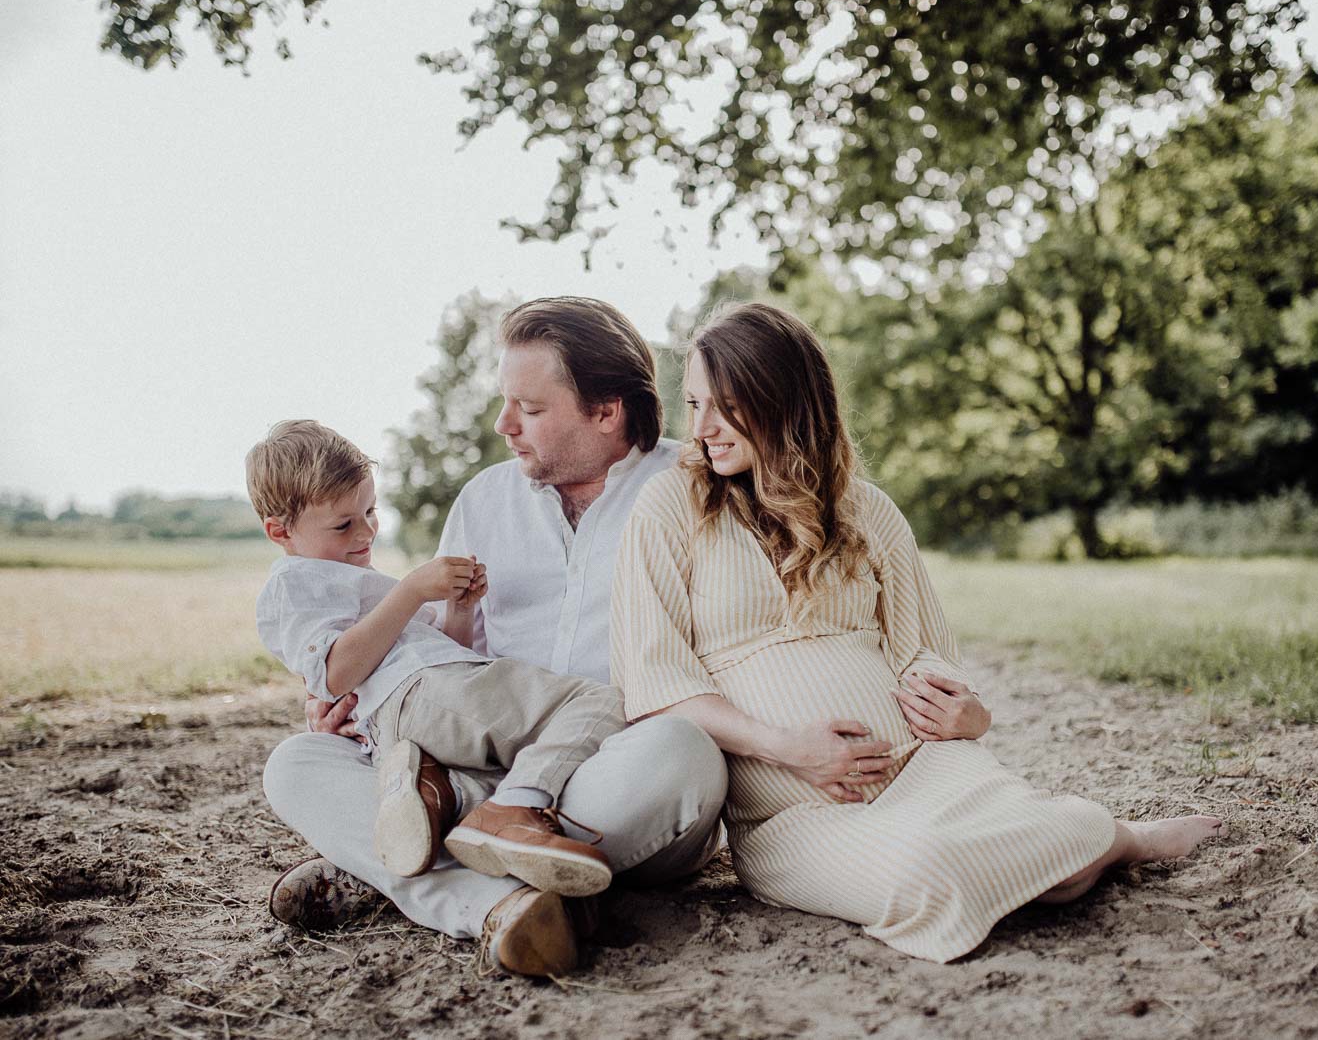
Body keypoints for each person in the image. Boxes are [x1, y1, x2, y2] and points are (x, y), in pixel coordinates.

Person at [611, 302, 1225, 963]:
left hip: (923, 765)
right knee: (927, 876)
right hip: (795, 814)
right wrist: (788, 746)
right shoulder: (671, 507)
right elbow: (657, 682)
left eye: (722, 406)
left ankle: (1115, 837)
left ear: (782, 402)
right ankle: (1095, 837)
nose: (699, 429)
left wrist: (968, 711)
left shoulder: (867, 510)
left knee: (1063, 872)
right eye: (694, 403)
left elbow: (920, 652)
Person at [260, 298, 728, 977]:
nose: (504, 425)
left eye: (531, 409)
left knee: (682, 753)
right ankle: (502, 902)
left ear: (607, 410)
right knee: (297, 765)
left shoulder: (696, 490)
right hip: (484, 757)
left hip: (613, 776)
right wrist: (352, 705)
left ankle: (414, 860)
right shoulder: (483, 501)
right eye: (506, 402)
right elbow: (449, 663)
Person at [247, 419, 622, 896]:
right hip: (420, 693)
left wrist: (458, 609)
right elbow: (335, 673)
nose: (367, 532)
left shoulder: (350, 579)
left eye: (370, 511)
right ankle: (511, 812)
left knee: (502, 762)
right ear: (279, 531)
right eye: (343, 524)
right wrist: (411, 589)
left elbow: (449, 651)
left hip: (422, 700)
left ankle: (434, 794)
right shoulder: (295, 583)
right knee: (603, 704)